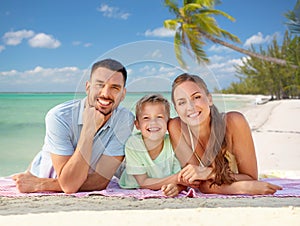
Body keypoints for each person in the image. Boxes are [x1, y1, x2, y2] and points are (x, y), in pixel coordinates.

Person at [12, 58, 134, 194]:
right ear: (88, 87)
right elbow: (70, 186)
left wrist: (41, 184)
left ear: (123, 94)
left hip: (45, 181)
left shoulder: (125, 119)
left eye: (115, 88)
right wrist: (88, 130)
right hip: (44, 173)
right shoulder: (59, 117)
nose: (105, 94)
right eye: (100, 85)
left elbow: (100, 181)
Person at [168, 73, 282, 195]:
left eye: (196, 97)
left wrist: (208, 173)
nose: (190, 107)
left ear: (209, 99)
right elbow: (199, 183)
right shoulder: (176, 127)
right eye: (182, 102)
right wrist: (240, 188)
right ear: (176, 109)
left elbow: (250, 177)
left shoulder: (233, 122)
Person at [118, 94, 186, 197]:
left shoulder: (173, 143)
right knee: (118, 169)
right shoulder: (133, 144)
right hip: (134, 179)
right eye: (146, 118)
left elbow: (180, 180)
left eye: (159, 117)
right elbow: (143, 182)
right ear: (137, 125)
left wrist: (176, 187)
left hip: (161, 179)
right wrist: (176, 179)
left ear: (168, 123)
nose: (153, 122)